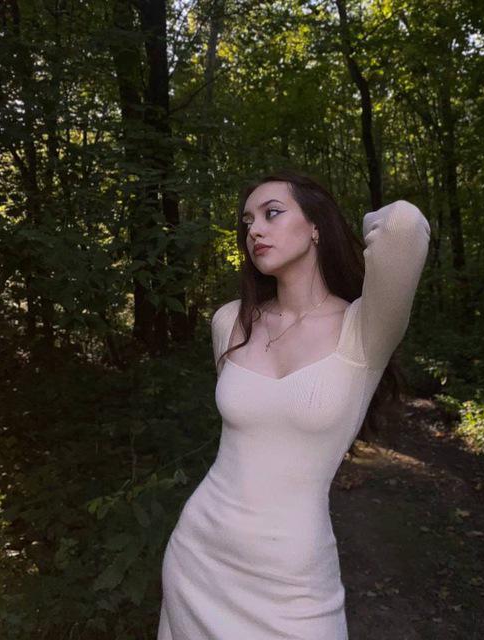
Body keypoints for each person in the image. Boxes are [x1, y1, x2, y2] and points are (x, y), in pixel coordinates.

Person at [157, 169, 431, 639]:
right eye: (247, 222)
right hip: (199, 557)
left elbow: (404, 224)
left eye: (273, 213)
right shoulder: (230, 322)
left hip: (294, 582)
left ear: (316, 226)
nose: (254, 231)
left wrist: (353, 218)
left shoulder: (364, 329)